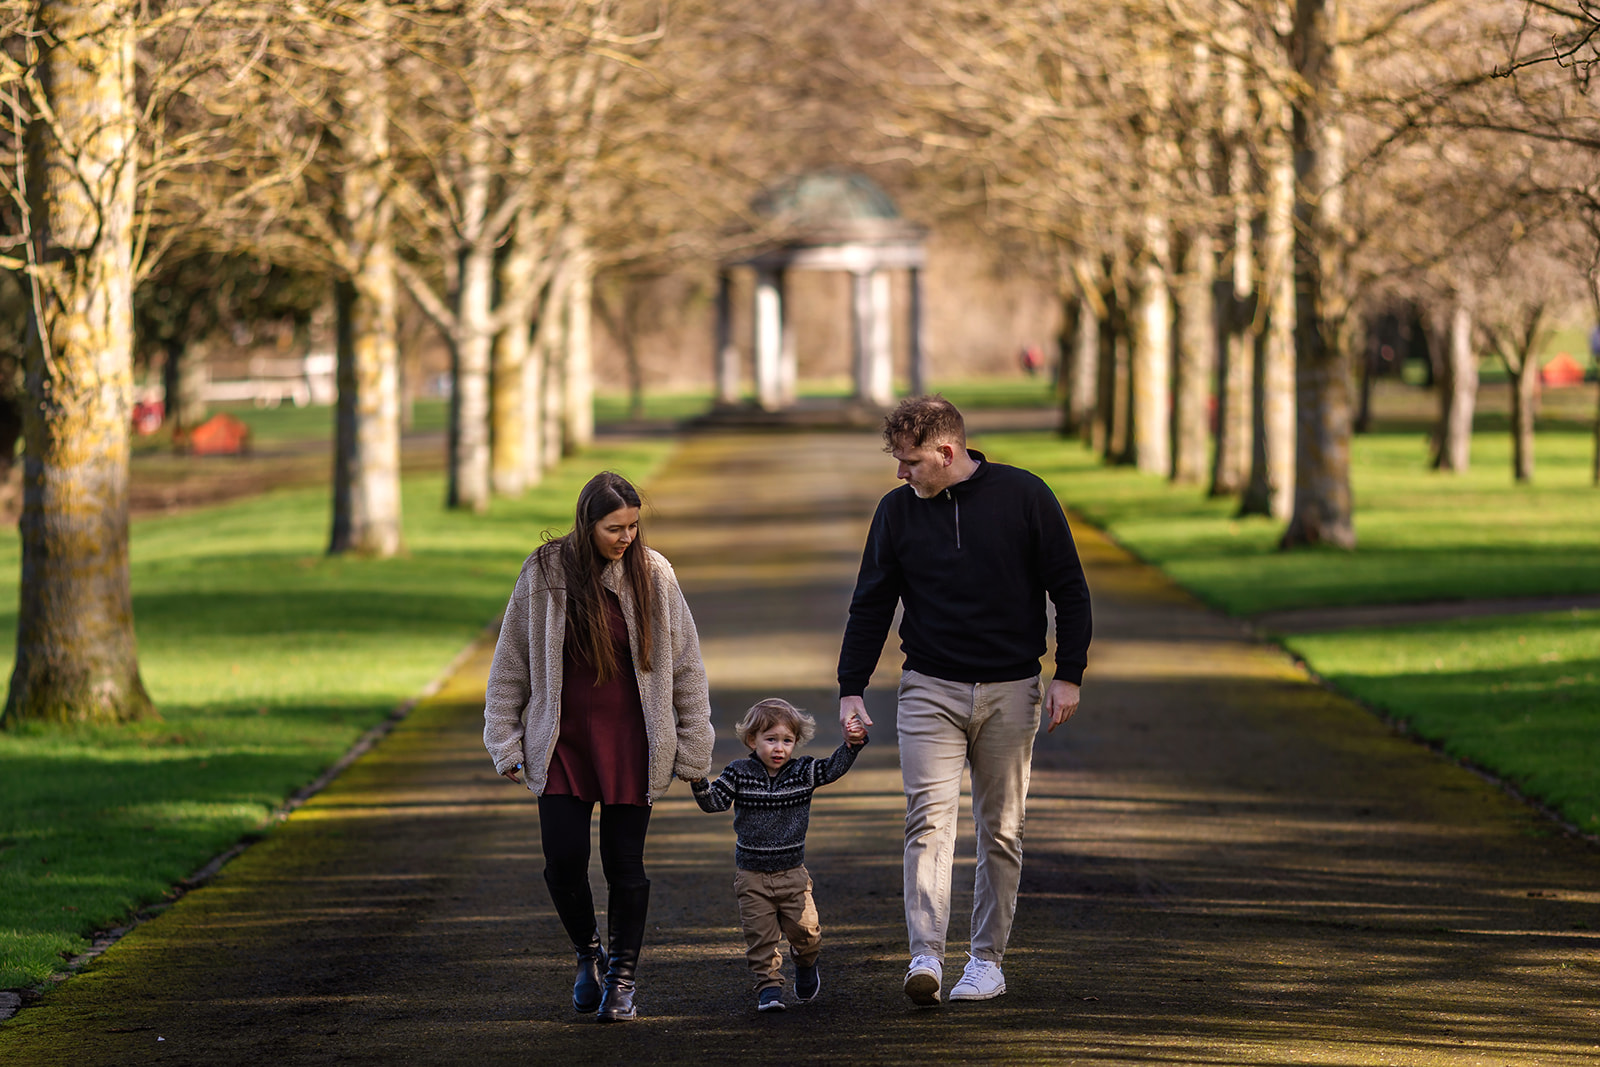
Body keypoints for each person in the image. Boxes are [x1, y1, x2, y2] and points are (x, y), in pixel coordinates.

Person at [836, 394, 1091, 1007]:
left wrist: (1069, 674)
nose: (901, 473)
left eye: (911, 461)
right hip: (929, 687)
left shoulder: (1026, 496)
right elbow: (872, 603)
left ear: (946, 453)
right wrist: (851, 686)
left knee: (1001, 829)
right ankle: (925, 954)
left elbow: (1070, 590)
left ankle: (986, 961)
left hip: (1011, 689)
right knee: (928, 821)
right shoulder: (896, 513)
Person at [484, 471, 714, 1023]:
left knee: (624, 865)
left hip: (632, 739)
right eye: (615, 528)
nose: (627, 537)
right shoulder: (543, 573)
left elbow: (686, 666)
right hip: (561, 740)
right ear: (587, 524)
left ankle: (623, 980)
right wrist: (505, 738)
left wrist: (692, 744)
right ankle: (589, 952)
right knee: (562, 862)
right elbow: (511, 660)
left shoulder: (655, 575)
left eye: (634, 526)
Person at [689, 698, 868, 1012]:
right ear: (752, 740)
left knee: (807, 933)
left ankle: (805, 962)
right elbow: (714, 802)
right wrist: (697, 780)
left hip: (792, 874)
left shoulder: (803, 772)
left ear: (796, 743)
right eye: (771, 740)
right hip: (751, 876)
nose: (779, 748)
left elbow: (832, 768)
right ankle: (769, 989)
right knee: (760, 939)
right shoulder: (738, 772)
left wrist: (852, 745)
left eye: (787, 741)